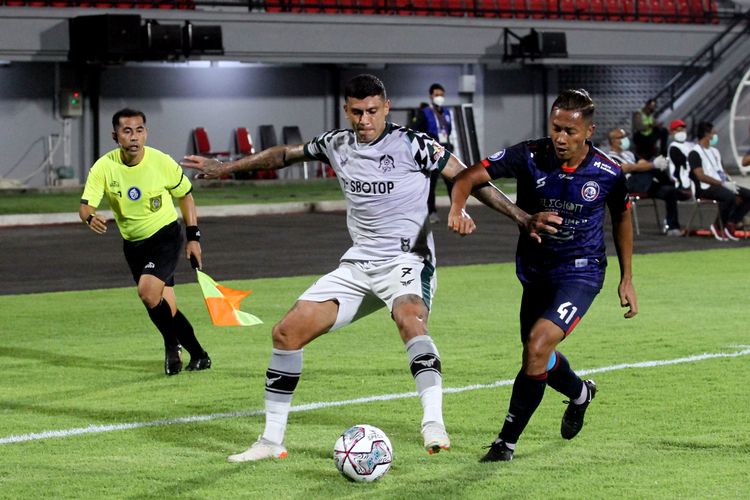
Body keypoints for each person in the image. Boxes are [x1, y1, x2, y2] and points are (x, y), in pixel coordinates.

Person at [181, 74, 551, 463]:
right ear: (347, 110)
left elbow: (467, 176)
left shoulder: (413, 144)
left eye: (372, 111)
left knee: (410, 317)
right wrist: (228, 168)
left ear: (386, 107)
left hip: (408, 259)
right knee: (286, 333)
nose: (364, 120)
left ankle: (433, 422)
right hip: (359, 264)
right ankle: (271, 441)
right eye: (356, 112)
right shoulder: (336, 143)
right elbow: (283, 154)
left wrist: (521, 217)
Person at [447, 88, 638, 462]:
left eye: (570, 131)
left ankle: (506, 443)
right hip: (535, 272)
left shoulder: (608, 172)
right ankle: (580, 393)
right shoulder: (530, 154)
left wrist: (627, 277)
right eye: (556, 128)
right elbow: (467, 176)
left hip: (581, 273)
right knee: (538, 356)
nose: (561, 138)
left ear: (589, 131)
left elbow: (622, 217)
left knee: (537, 345)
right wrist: (458, 208)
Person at [79, 108, 211, 376]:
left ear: (146, 133)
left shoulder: (161, 162)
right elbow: (85, 206)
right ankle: (199, 354)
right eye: (127, 131)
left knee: (147, 292)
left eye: (139, 130)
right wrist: (90, 217)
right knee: (165, 306)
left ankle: (172, 345)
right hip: (133, 244)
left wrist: (193, 237)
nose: (134, 137)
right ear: (115, 136)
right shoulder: (104, 167)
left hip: (165, 235)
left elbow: (185, 196)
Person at [606, 127, 685, 236]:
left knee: (669, 191)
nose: (625, 139)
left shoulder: (629, 154)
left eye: (625, 137)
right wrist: (653, 164)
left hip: (645, 183)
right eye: (622, 137)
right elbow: (627, 168)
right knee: (652, 170)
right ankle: (677, 188)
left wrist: (647, 166)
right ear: (613, 141)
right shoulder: (609, 158)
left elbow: (642, 164)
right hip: (628, 186)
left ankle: (672, 227)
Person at [687, 121, 750, 241]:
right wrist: (722, 184)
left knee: (748, 195)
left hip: (721, 184)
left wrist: (729, 181)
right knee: (729, 196)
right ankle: (717, 225)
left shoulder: (715, 151)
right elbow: (700, 176)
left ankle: (731, 223)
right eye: (713, 132)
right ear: (707, 135)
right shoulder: (694, 153)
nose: (715, 134)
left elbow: (722, 171)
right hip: (704, 187)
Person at [414, 83, 454, 224]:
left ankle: (456, 211)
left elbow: (448, 131)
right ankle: (432, 212)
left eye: (441, 95)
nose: (440, 98)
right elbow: (417, 131)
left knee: (452, 183)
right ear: (431, 96)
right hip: (432, 152)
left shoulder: (447, 112)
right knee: (431, 184)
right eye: (437, 95)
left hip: (445, 151)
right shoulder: (425, 112)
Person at [666, 119, 694, 199]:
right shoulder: (673, 147)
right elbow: (683, 163)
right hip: (682, 182)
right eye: (678, 130)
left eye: (683, 129)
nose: (681, 132)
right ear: (672, 132)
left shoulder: (690, 145)